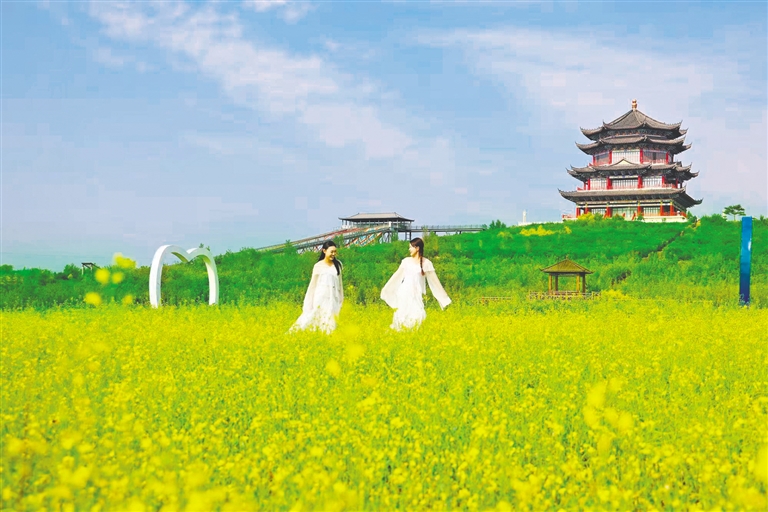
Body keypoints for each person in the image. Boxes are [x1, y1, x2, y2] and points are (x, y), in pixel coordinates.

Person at [380, 237, 451, 331]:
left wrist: (444, 296)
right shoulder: (406, 261)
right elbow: (396, 276)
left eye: (411, 247)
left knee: (418, 315)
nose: (409, 249)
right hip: (404, 294)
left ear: (417, 248)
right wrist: (386, 288)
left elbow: (435, 281)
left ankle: (413, 335)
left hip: (416, 295)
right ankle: (402, 335)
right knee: (402, 316)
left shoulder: (426, 263)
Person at [290, 241, 344, 334]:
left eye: (335, 251)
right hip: (320, 298)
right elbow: (313, 285)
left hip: (333, 298)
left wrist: (341, 299)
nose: (333, 254)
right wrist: (309, 302)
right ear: (324, 251)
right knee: (315, 319)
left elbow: (340, 284)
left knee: (332, 321)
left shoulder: (338, 265)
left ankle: (327, 338)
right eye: (331, 252)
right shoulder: (318, 266)